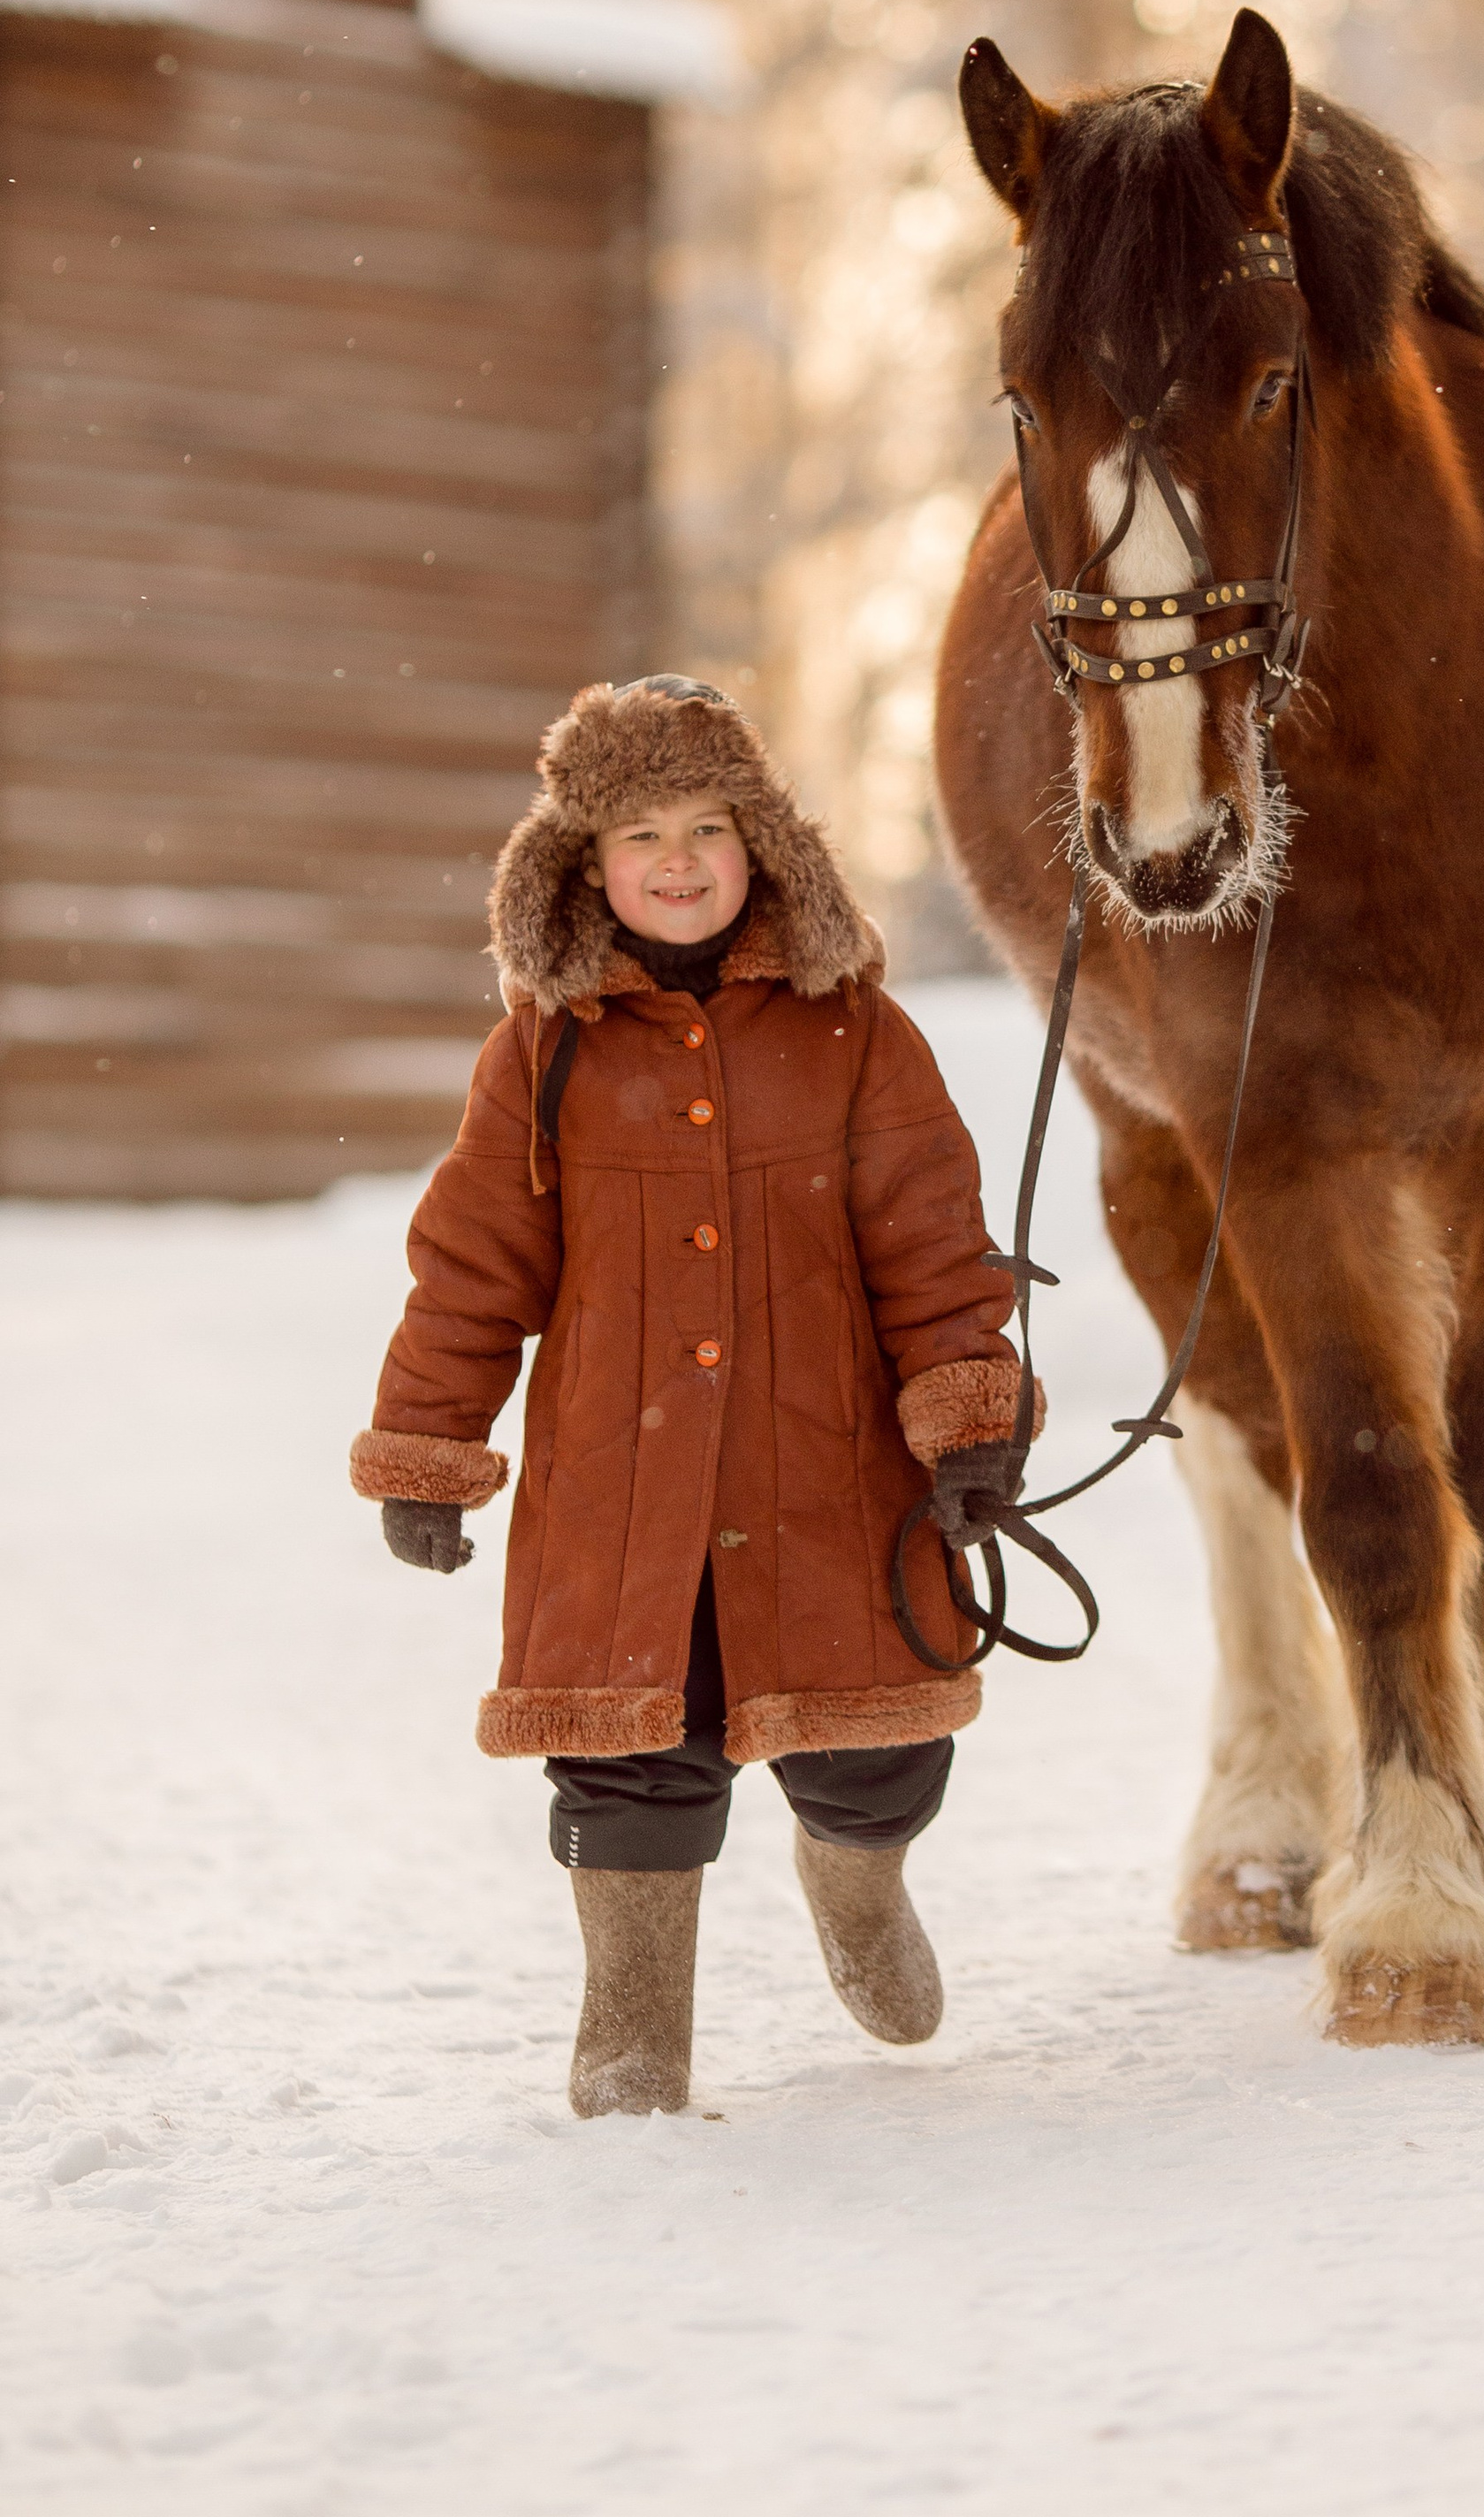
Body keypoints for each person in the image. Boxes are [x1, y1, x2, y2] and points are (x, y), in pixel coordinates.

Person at [349, 675, 1036, 2116]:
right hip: (623, 1485)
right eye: (639, 831)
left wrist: (967, 1417)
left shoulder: (854, 1028)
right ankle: (632, 2022)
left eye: (707, 824)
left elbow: (932, 1235)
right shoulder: (543, 1048)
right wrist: (427, 1444)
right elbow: (474, 1264)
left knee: (876, 1742)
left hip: (828, 1476)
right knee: (630, 1759)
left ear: (763, 840)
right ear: (581, 865)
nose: (677, 858)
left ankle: (859, 1892)